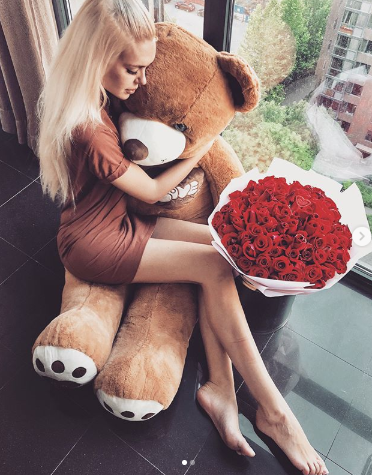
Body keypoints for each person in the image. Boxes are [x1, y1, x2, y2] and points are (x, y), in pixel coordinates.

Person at [37, 1, 328, 474]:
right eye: (132, 70)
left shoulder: (94, 97)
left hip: (117, 223)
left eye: (145, 69)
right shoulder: (91, 129)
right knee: (212, 266)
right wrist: (202, 145)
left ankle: (221, 389)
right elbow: (153, 191)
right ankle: (273, 411)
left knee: (220, 247)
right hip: (94, 243)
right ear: (95, 58)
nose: (141, 82)